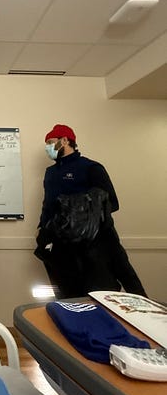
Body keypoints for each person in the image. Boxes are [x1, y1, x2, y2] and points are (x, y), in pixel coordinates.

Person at [35, 124, 147, 299]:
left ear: (64, 141)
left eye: (51, 142)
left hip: (96, 242)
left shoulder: (91, 168)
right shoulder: (50, 173)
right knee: (69, 294)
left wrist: (78, 214)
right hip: (63, 244)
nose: (48, 147)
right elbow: (48, 204)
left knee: (108, 287)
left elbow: (111, 202)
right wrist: (42, 229)